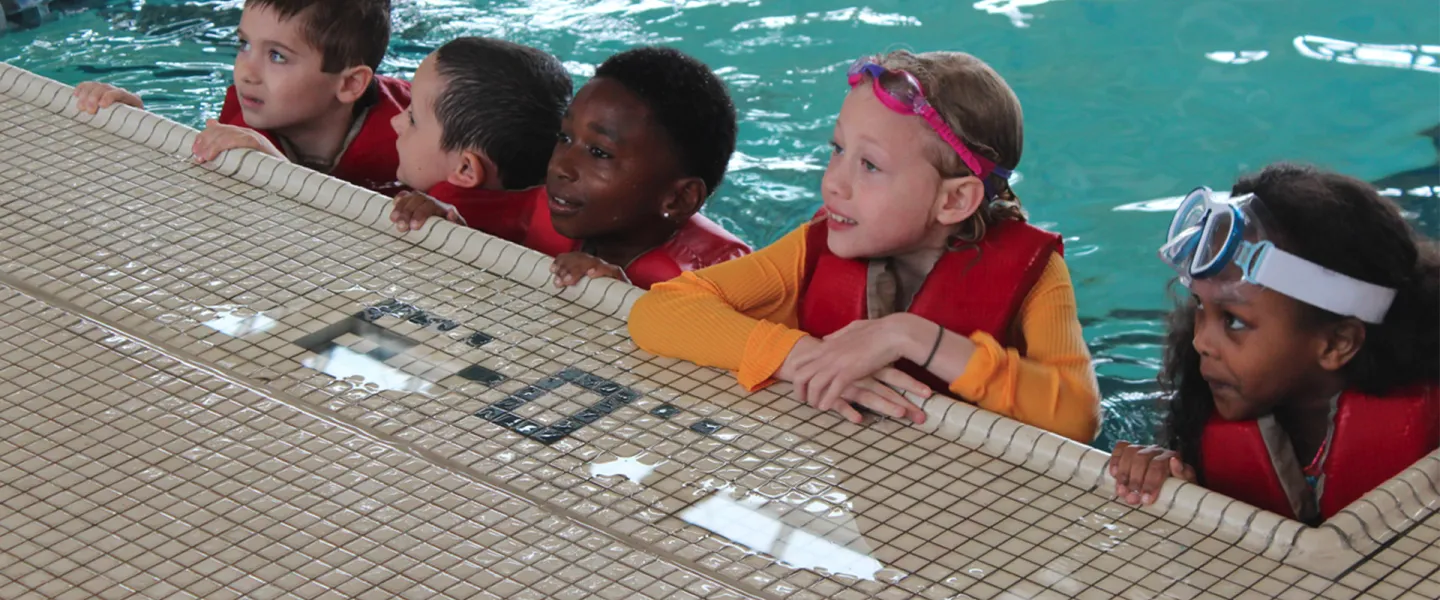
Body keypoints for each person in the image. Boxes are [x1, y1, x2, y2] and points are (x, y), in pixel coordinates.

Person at [628, 51, 1100, 442]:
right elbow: (660, 310)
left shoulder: (1034, 276)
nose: (834, 182)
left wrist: (908, 335)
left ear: (954, 199)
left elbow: (1078, 419)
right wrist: (798, 356)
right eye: (837, 150)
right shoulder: (815, 248)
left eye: (870, 165)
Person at [1109, 164, 1439, 523]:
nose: (1201, 340)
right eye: (1200, 306)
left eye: (1234, 321)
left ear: (1336, 343)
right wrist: (1173, 480)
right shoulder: (1203, 414)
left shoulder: (1427, 448)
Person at [74, 0, 408, 195]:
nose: (246, 71)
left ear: (350, 85)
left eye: (277, 56)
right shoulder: (244, 117)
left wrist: (275, 165)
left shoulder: (414, 135)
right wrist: (135, 128)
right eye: (244, 44)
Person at [532, 47, 751, 291]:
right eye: (565, 137)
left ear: (678, 198)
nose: (560, 166)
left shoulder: (721, 281)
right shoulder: (546, 206)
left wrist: (623, 296)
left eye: (599, 153)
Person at [387, 37, 571, 245]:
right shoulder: (568, 215)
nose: (395, 122)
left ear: (466, 169)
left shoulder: (440, 217)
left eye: (413, 119)